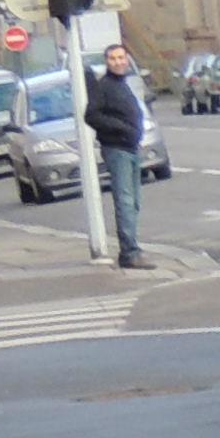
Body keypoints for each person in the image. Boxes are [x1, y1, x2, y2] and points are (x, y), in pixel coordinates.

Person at [82, 42, 154, 270]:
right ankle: (129, 253)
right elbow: (92, 115)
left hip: (130, 148)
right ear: (106, 62)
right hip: (117, 149)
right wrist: (122, 128)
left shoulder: (122, 84)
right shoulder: (104, 86)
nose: (118, 62)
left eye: (121, 58)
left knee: (133, 203)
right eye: (113, 58)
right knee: (125, 202)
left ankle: (132, 248)